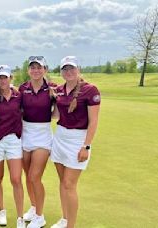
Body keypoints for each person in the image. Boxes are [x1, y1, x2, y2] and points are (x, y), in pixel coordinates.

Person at [50, 56, 100, 228]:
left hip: (78, 140)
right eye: (65, 69)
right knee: (62, 183)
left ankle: (70, 225)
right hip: (60, 137)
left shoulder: (90, 90)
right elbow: (56, 115)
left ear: (78, 69)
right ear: (61, 72)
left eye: (72, 68)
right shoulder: (59, 89)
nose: (68, 72)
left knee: (69, 184)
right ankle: (64, 219)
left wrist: (86, 146)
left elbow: (93, 121)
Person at [19, 56, 56, 228]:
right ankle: (34, 207)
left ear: (45, 70)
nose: (36, 70)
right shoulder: (22, 88)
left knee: (35, 176)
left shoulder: (53, 89)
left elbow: (60, 109)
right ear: (28, 70)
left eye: (39, 67)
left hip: (43, 135)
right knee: (28, 176)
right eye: (32, 67)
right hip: (26, 133)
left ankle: (40, 216)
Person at [0, 65, 25, 228]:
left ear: (10, 78)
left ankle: (20, 217)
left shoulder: (19, 95)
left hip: (14, 140)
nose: (2, 80)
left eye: (5, 77)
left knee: (16, 179)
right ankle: (1, 210)